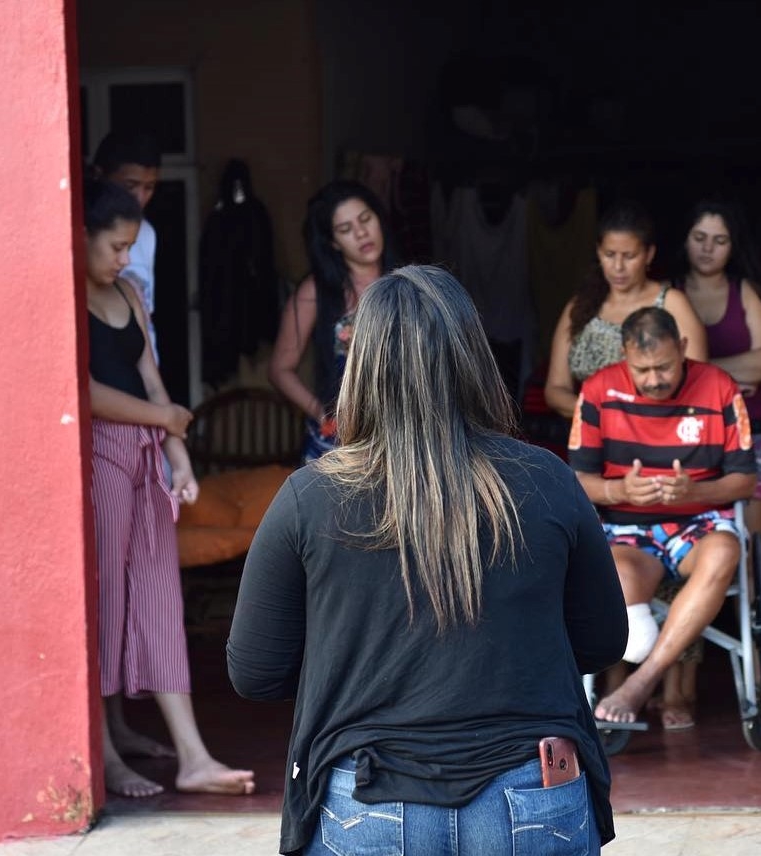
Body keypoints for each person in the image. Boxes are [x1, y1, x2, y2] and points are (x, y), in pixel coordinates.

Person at [228, 265, 628, 855]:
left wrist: (352, 660)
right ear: (473, 358)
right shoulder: (548, 480)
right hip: (534, 791)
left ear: (361, 367)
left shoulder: (309, 498)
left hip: (365, 800)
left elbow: (256, 672)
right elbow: (601, 642)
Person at [83, 178, 255, 798]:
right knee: (102, 603)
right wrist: (166, 420)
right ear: (81, 238)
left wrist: (177, 460)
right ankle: (101, 753)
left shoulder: (127, 294)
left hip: (146, 458)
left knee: (158, 600)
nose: (125, 259)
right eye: (115, 246)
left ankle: (192, 756)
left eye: (130, 246)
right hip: (98, 457)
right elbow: (86, 393)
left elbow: (154, 383)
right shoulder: (66, 300)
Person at [568, 307, 757, 727]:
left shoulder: (719, 387)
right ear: (624, 357)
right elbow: (577, 479)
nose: (655, 379)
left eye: (665, 366)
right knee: (609, 574)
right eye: (643, 369)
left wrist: (696, 491)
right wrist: (618, 490)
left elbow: (745, 481)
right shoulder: (599, 390)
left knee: (726, 550)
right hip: (625, 531)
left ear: (684, 348)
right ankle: (637, 644)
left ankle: (641, 683)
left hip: (699, 524)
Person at [663, 198, 761, 729]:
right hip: (686, 444)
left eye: (721, 239)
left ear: (735, 247)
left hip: (751, 437)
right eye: (700, 237)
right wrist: (729, 377)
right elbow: (662, 368)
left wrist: (705, 375)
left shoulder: (745, 292)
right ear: (683, 239)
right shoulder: (670, 296)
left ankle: (755, 650)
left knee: (749, 562)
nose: (709, 249)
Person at [269, 180, 400, 462]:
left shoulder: (408, 281)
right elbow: (280, 369)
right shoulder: (315, 292)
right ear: (332, 242)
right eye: (345, 229)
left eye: (366, 219)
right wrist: (321, 412)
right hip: (341, 444)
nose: (362, 233)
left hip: (401, 435)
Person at [543, 198, 709, 420]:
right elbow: (555, 390)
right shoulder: (581, 306)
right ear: (598, 252)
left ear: (649, 254)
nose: (618, 267)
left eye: (629, 256)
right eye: (610, 255)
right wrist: (607, 417)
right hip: (590, 436)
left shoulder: (672, 303)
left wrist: (635, 422)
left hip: (659, 433)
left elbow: (697, 383)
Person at [92, 131, 162, 358]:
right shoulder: (86, 236)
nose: (140, 198)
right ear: (99, 176)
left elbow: (146, 314)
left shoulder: (148, 234)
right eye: (130, 185)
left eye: (149, 187)